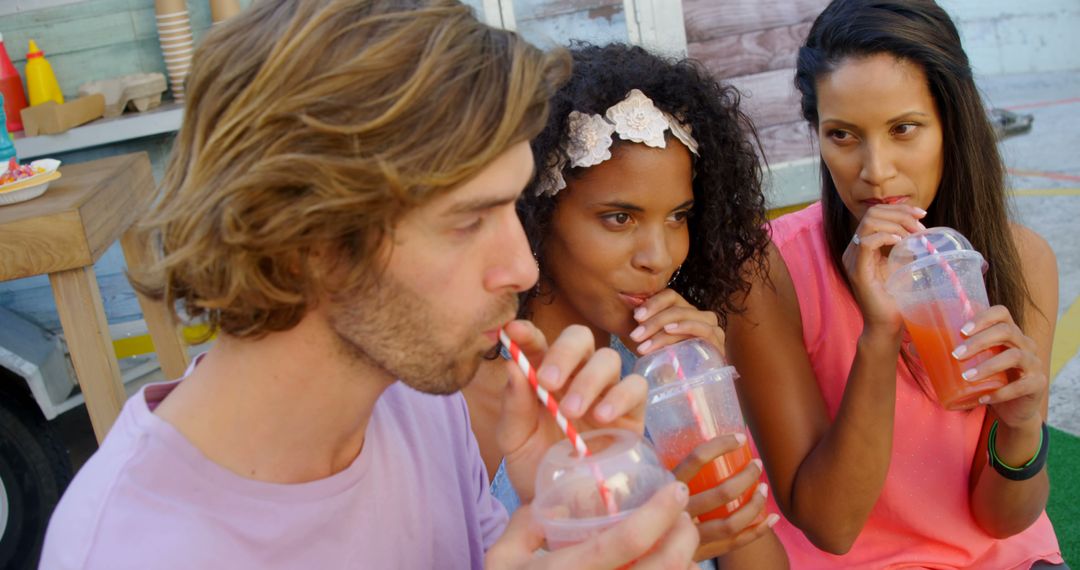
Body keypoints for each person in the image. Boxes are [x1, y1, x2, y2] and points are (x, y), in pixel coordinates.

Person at [38, 2, 702, 568]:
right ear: (308, 240)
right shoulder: (132, 548)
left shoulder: (414, 402)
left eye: (511, 208)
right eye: (469, 220)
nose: (524, 268)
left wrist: (559, 511)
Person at [725, 0, 1065, 567]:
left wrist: (1023, 424)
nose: (875, 170)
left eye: (904, 129)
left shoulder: (1021, 259)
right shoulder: (766, 269)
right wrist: (878, 336)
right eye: (842, 135)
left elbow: (1003, 520)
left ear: (950, 123)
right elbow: (831, 525)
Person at [463, 43, 788, 568]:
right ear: (536, 216)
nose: (659, 258)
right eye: (619, 218)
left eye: (679, 216)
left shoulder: (659, 368)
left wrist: (703, 404)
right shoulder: (474, 401)